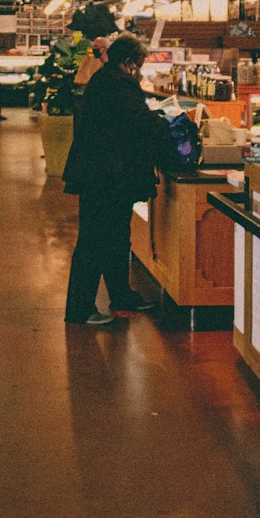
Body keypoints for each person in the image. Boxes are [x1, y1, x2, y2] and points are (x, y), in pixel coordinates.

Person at [62, 33, 181, 325]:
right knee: (95, 241)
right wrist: (169, 126)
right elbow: (139, 123)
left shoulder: (105, 80)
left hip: (101, 174)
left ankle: (122, 297)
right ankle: (79, 309)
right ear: (128, 62)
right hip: (106, 177)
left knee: (115, 238)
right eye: (138, 64)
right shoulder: (119, 85)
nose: (139, 70)